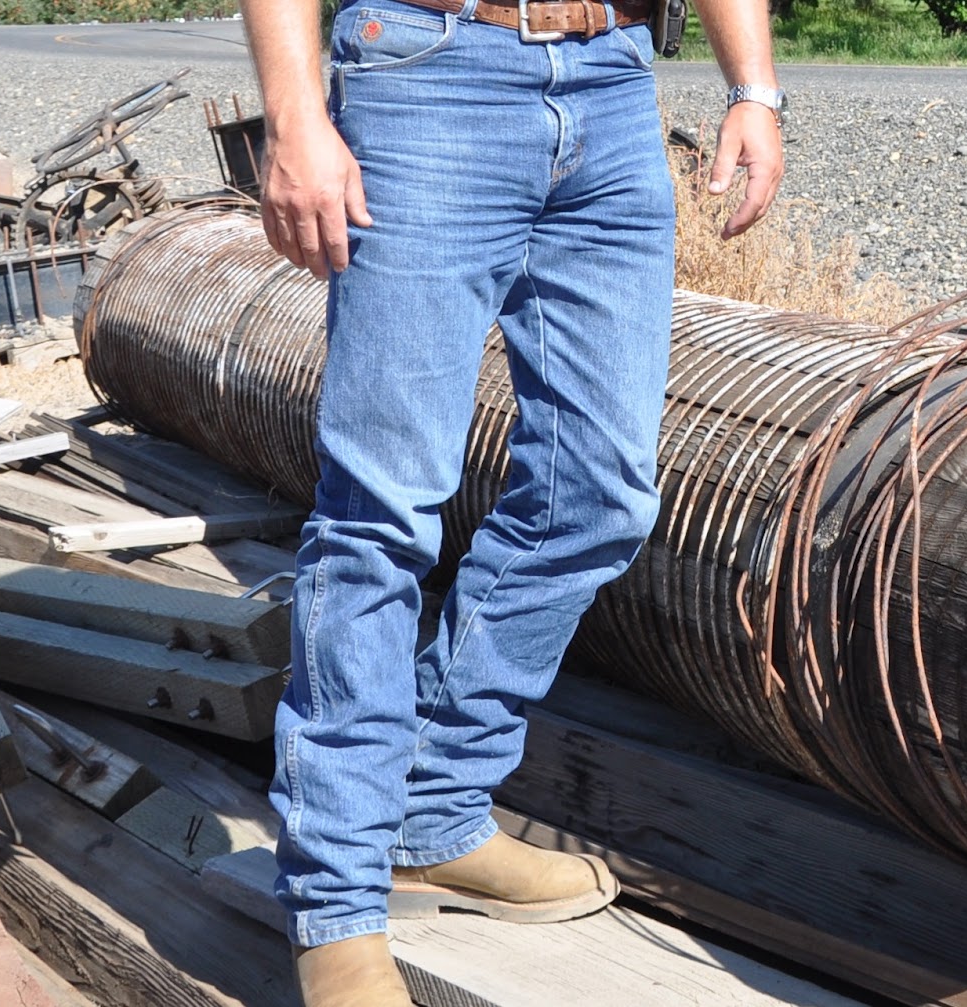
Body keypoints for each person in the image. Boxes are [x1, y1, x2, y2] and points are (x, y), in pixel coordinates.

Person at [238, 0, 784, 1000]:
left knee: (599, 490)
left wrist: (752, 86)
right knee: (381, 514)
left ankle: (433, 808)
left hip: (612, 79)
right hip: (426, 71)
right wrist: (294, 114)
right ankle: (337, 903)